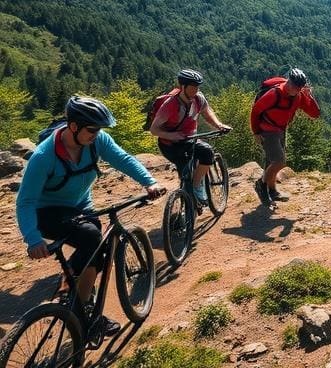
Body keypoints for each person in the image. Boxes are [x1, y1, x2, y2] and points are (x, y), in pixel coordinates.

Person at [16, 95, 164, 336]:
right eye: (92, 128)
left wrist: (149, 182)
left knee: (100, 249)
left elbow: (123, 159)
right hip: (47, 212)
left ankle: (75, 289)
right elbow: (26, 201)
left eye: (99, 129)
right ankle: (83, 314)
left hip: (81, 206)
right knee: (91, 237)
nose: (97, 133)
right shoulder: (44, 157)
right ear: (73, 126)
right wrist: (33, 238)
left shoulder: (97, 140)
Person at [149, 69, 230, 206]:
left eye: (198, 87)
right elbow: (154, 129)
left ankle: (197, 185)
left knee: (207, 152)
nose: (196, 90)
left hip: (190, 140)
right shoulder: (170, 105)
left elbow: (207, 112)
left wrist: (218, 125)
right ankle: (184, 209)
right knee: (185, 173)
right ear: (183, 87)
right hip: (170, 145)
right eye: (193, 87)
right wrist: (171, 135)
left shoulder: (198, 98)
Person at [250, 68, 321, 204]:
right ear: (288, 80)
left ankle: (272, 191)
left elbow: (315, 114)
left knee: (271, 162)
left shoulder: (299, 96)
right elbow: (256, 111)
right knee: (279, 161)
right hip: (267, 130)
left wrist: (309, 95)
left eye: (296, 87)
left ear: (300, 88)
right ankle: (261, 184)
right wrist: (256, 132)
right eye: (290, 84)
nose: (291, 88)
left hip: (281, 130)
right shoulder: (274, 93)